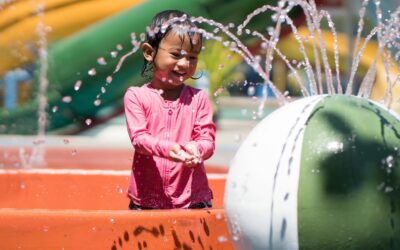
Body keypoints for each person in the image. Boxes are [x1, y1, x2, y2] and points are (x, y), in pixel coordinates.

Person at [124, 10, 216, 209]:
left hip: (192, 200)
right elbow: (139, 139)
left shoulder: (198, 98)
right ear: (149, 52)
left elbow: (207, 139)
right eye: (176, 55)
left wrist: (197, 149)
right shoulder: (136, 96)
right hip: (147, 200)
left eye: (192, 57)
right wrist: (168, 149)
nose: (184, 64)